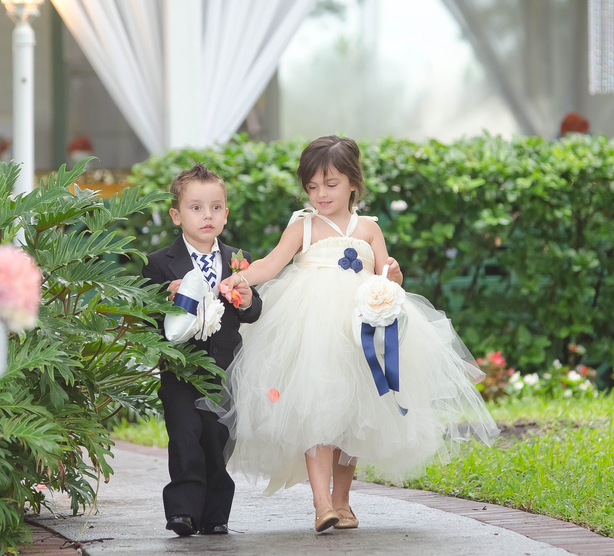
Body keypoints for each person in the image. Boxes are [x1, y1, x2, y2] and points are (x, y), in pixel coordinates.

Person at [220, 136, 499, 533]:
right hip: (312, 328)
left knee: (354, 414)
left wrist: (393, 276)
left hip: (360, 329)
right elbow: (270, 264)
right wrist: (238, 277)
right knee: (315, 408)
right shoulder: (303, 225)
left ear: (353, 182)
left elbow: (386, 272)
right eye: (312, 186)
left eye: (330, 184)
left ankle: (342, 501)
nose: (320, 194)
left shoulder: (369, 229)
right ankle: (321, 504)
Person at [142, 164, 263, 537]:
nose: (206, 216)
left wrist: (245, 300)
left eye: (215, 207)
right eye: (196, 208)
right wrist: (166, 299)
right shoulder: (160, 263)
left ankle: (214, 515)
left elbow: (255, 310)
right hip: (179, 369)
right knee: (184, 436)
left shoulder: (237, 260)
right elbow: (145, 315)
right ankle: (182, 511)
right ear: (177, 215)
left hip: (225, 369)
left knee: (217, 440)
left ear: (225, 213)